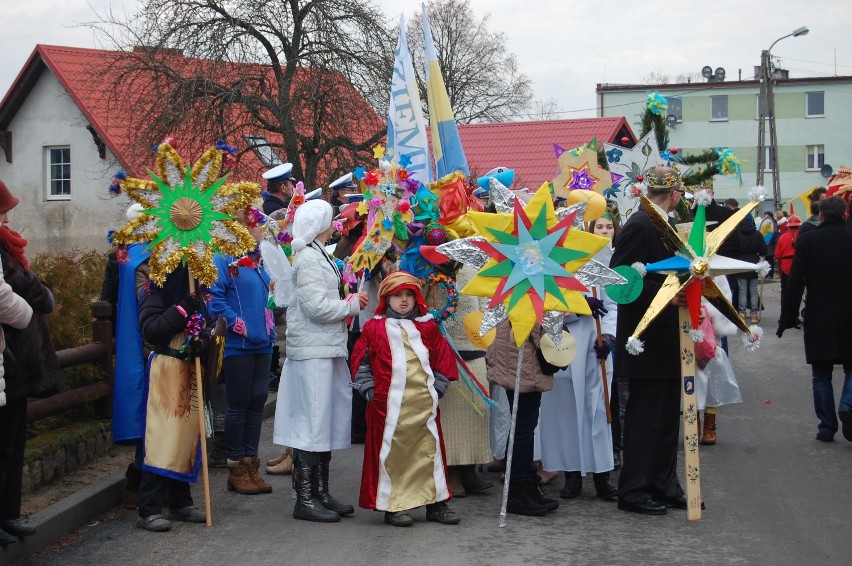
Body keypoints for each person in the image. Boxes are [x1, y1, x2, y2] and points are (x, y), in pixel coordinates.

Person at [272, 199, 367, 522]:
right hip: (313, 351)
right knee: (313, 421)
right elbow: (317, 308)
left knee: (322, 420)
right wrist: (350, 307)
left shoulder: (318, 254)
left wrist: (347, 302)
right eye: (331, 218)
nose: (336, 222)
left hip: (324, 348)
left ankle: (320, 492)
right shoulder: (310, 258)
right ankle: (307, 497)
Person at [351, 271, 462, 527]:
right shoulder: (374, 328)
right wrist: (370, 391)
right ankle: (395, 506)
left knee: (429, 453)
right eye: (397, 295)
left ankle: (437, 503)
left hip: (424, 408)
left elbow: (442, 362)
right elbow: (360, 364)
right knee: (393, 457)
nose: (403, 301)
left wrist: (438, 389)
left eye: (408, 295)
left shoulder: (428, 327)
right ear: (386, 299)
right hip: (387, 410)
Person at [610, 165, 687, 516]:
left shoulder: (665, 224)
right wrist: (669, 296)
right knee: (645, 420)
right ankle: (634, 489)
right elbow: (619, 280)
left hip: (669, 339)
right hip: (645, 341)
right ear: (673, 194)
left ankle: (663, 483)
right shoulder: (639, 225)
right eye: (681, 194)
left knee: (669, 419)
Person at [134, 262, 209, 532]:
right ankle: (149, 508)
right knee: (160, 438)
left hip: (188, 368)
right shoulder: (156, 286)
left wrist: (204, 340)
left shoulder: (198, 289)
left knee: (186, 437)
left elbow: (205, 324)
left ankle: (180, 501)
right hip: (165, 367)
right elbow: (151, 329)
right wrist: (181, 310)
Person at [209, 213, 275, 495]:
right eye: (256, 224)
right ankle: (236, 466)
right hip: (239, 344)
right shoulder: (224, 258)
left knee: (257, 401)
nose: (261, 228)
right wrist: (239, 324)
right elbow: (214, 299)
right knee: (239, 404)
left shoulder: (260, 259)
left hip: (263, 342)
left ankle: (252, 464)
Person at [778, 197, 852, 442]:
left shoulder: (808, 241)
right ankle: (848, 404)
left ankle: (826, 427)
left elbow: (795, 283)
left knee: (821, 374)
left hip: (819, 315)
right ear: (845, 214)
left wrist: (786, 317)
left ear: (821, 215)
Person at [538, 290, 619, 502]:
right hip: (562, 345)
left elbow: (613, 308)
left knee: (599, 413)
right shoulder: (553, 267)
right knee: (566, 413)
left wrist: (609, 336)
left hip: (595, 349)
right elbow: (544, 307)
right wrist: (577, 307)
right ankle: (571, 474)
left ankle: (602, 475)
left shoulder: (598, 268)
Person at [0, 180, 45, 547]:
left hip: (11, 356)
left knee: (12, 440)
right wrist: (30, 308)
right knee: (5, 440)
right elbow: (7, 294)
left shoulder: (7, 241)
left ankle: (7, 515)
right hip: (9, 349)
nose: (8, 213)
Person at [486, 321, 560, 516]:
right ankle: (517, 492)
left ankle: (526, 486)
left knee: (524, 426)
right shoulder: (522, 293)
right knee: (522, 427)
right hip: (521, 356)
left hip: (520, 355)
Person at [734, 214, 768, 324]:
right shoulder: (757, 234)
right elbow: (764, 250)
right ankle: (754, 315)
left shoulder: (737, 234)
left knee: (742, 291)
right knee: (753, 291)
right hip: (754, 263)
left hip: (740, 264)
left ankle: (742, 314)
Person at [774, 214, 801, 299]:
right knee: (798, 291)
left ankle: (785, 309)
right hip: (799, 265)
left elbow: (777, 255)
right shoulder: (803, 237)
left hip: (785, 265)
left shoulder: (782, 237)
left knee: (785, 290)